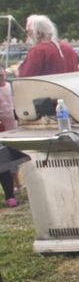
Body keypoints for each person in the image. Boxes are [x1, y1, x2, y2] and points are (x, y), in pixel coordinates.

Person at [0, 67, 21, 206]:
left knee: (13, 159)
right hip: (1, 128)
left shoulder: (11, 86)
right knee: (3, 162)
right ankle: (11, 193)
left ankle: (14, 189)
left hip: (13, 126)